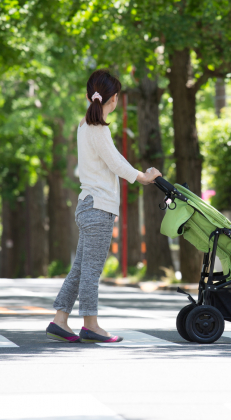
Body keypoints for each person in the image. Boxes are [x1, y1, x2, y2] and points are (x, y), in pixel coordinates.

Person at [46, 69, 162, 343]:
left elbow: (112, 158)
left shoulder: (84, 127)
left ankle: (60, 319)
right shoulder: (99, 129)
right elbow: (116, 162)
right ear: (114, 100)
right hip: (98, 207)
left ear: (90, 97)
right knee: (91, 270)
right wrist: (143, 177)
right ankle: (91, 324)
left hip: (87, 204)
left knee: (80, 269)